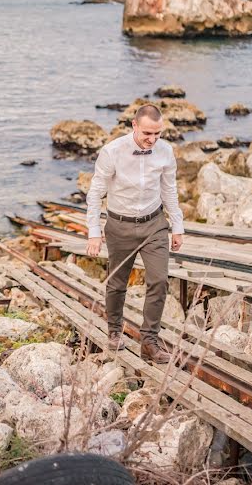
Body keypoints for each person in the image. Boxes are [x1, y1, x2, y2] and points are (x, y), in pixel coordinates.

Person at [84, 104, 184, 363]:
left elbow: (169, 190)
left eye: (157, 134)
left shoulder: (165, 151)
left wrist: (178, 226)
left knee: (160, 280)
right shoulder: (112, 151)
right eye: (147, 134)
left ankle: (149, 341)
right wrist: (94, 232)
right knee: (117, 283)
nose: (152, 139)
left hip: (154, 224)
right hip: (120, 226)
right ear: (134, 126)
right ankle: (114, 331)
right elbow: (95, 193)